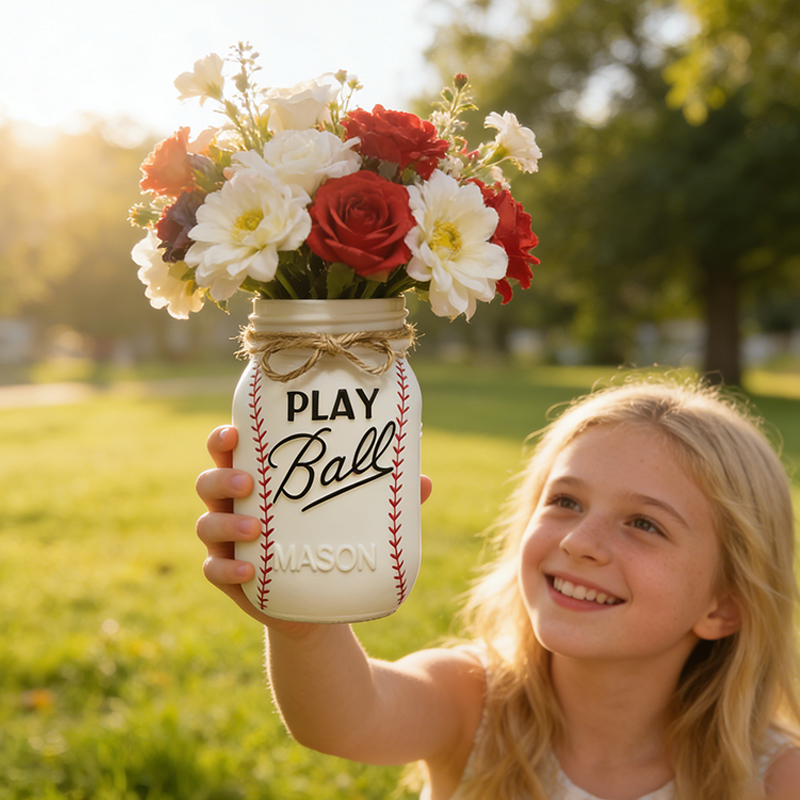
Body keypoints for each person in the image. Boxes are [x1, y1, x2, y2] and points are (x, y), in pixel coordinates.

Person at [196, 376, 800, 799]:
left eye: (644, 524)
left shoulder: (775, 778)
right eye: (566, 502)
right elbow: (346, 719)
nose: (579, 541)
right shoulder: (471, 700)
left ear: (725, 606)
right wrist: (301, 621)